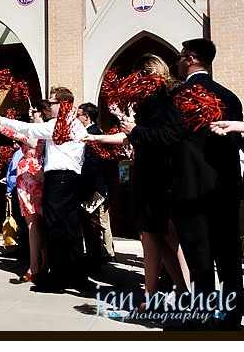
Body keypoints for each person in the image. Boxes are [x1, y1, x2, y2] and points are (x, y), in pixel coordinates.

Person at [82, 55, 190, 306]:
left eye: (134, 77)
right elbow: (129, 137)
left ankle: (152, 294)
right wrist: (95, 139)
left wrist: (134, 129)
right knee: (155, 237)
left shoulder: (158, 100)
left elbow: (161, 135)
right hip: (153, 174)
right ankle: (180, 288)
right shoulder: (159, 99)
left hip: (155, 175)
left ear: (143, 75)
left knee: (152, 236)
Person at [170, 39, 244, 330]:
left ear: (189, 59)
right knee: (227, 255)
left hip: (190, 188)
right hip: (224, 187)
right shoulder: (230, 96)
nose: (177, 63)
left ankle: (201, 314)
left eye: (179, 57)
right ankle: (230, 317)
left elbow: (169, 143)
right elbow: (235, 143)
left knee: (199, 258)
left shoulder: (178, 97)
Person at [0, 86, 88, 292]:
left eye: (51, 103)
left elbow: (30, 130)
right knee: (71, 229)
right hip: (71, 179)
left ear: (63, 104)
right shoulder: (76, 124)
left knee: (56, 229)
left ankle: (57, 279)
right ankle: (77, 276)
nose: (48, 106)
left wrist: (0, 118)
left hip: (58, 179)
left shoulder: (59, 125)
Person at [0, 100, 47, 284]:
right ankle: (43, 265)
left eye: (34, 112)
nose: (31, 114)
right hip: (38, 175)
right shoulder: (47, 132)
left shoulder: (37, 134)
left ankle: (35, 266)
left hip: (31, 176)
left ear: (41, 114)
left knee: (33, 223)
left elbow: (9, 131)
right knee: (40, 223)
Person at [76, 102, 115, 270]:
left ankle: (94, 258)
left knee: (92, 223)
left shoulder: (94, 135)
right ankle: (93, 255)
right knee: (88, 222)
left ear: (87, 116)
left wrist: (88, 188)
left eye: (78, 115)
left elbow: (93, 166)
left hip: (93, 187)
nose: (77, 118)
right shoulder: (89, 133)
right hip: (91, 186)